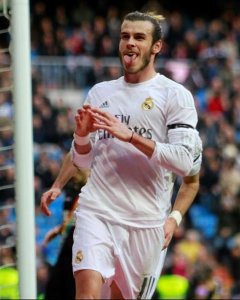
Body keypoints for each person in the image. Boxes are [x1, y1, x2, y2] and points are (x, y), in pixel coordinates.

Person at [40, 10, 202, 299]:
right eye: (125, 36)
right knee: (85, 294)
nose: (130, 42)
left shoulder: (175, 96)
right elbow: (84, 159)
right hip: (97, 210)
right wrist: (76, 145)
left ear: (156, 47)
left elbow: (183, 162)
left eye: (139, 37)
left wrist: (130, 136)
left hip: (144, 222)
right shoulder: (100, 93)